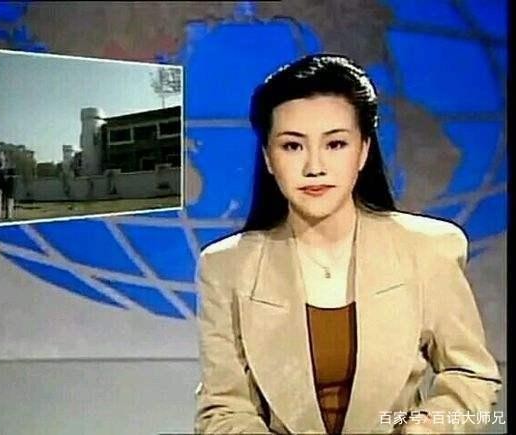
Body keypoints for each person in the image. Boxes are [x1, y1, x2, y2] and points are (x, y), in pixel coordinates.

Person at [194, 54, 502, 434]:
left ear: (364, 150)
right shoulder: (225, 267)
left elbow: (470, 376)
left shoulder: (428, 249)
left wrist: (424, 430)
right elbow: (223, 409)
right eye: (292, 146)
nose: (314, 167)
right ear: (268, 158)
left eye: (336, 144)